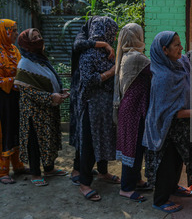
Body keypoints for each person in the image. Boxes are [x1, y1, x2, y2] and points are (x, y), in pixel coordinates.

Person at [143, 31, 192, 213]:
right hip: (164, 129)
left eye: (181, 43)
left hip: (180, 127)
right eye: (177, 45)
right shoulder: (163, 77)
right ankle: (160, 200)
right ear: (164, 50)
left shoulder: (178, 65)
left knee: (178, 160)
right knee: (165, 164)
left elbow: (191, 56)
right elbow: (167, 112)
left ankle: (173, 187)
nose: (181, 48)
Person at [15, 28, 68, 186]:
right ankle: (35, 173)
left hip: (48, 109)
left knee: (49, 139)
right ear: (26, 45)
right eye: (34, 38)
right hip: (33, 112)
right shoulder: (24, 64)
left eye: (39, 36)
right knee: (35, 142)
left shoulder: (40, 60)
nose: (39, 40)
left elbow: (47, 81)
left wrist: (58, 91)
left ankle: (49, 168)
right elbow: (29, 91)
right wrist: (51, 97)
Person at [69, 16, 117, 185]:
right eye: (113, 32)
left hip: (104, 106)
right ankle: (84, 183)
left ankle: (103, 172)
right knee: (88, 144)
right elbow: (88, 80)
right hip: (91, 106)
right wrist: (111, 72)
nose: (115, 36)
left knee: (103, 140)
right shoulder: (88, 53)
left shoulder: (107, 52)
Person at [113, 23, 152, 202]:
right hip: (133, 110)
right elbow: (155, 71)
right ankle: (126, 188)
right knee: (133, 147)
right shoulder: (137, 58)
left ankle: (135, 180)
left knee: (137, 146)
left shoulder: (128, 55)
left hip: (133, 107)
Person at [0, 19, 26, 184]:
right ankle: (3, 171)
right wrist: (12, 81)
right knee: (5, 131)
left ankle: (18, 166)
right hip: (2, 99)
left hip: (15, 97)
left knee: (16, 129)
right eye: (13, 30)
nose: (16, 33)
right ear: (4, 32)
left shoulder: (15, 50)